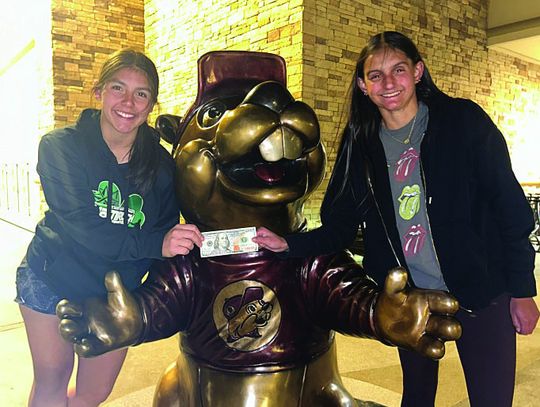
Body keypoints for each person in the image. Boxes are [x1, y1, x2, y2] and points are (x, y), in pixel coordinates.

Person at [254, 31, 539, 407]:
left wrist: (522, 289)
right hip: (413, 297)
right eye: (375, 75)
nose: (388, 83)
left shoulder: (462, 121)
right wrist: (289, 244)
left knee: (491, 399)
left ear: (418, 71)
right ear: (362, 85)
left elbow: (509, 206)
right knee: (417, 398)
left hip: (482, 288)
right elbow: (339, 227)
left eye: (398, 70)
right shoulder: (362, 143)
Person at [15, 48, 203, 407]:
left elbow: (165, 234)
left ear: (151, 105)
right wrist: (156, 243)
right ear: (99, 92)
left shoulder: (163, 165)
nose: (128, 102)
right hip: (52, 276)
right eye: (118, 88)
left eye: (141, 93)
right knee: (52, 380)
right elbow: (82, 227)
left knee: (92, 394)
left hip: (114, 292)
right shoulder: (60, 147)